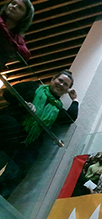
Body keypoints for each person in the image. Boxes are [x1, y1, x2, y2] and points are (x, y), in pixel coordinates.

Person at [0, 70, 78, 198]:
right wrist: (23, 104)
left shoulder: (57, 109)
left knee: (12, 178)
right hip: (7, 136)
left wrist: (75, 100)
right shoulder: (33, 87)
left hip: (26, 146)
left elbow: (71, 117)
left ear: (67, 90)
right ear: (53, 79)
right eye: (60, 80)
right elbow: (9, 93)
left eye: (66, 85)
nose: (61, 85)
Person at [0, 0, 34, 65]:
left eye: (20, 8)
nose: (14, 7)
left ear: (25, 17)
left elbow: (25, 55)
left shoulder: (17, 37)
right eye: (13, 3)